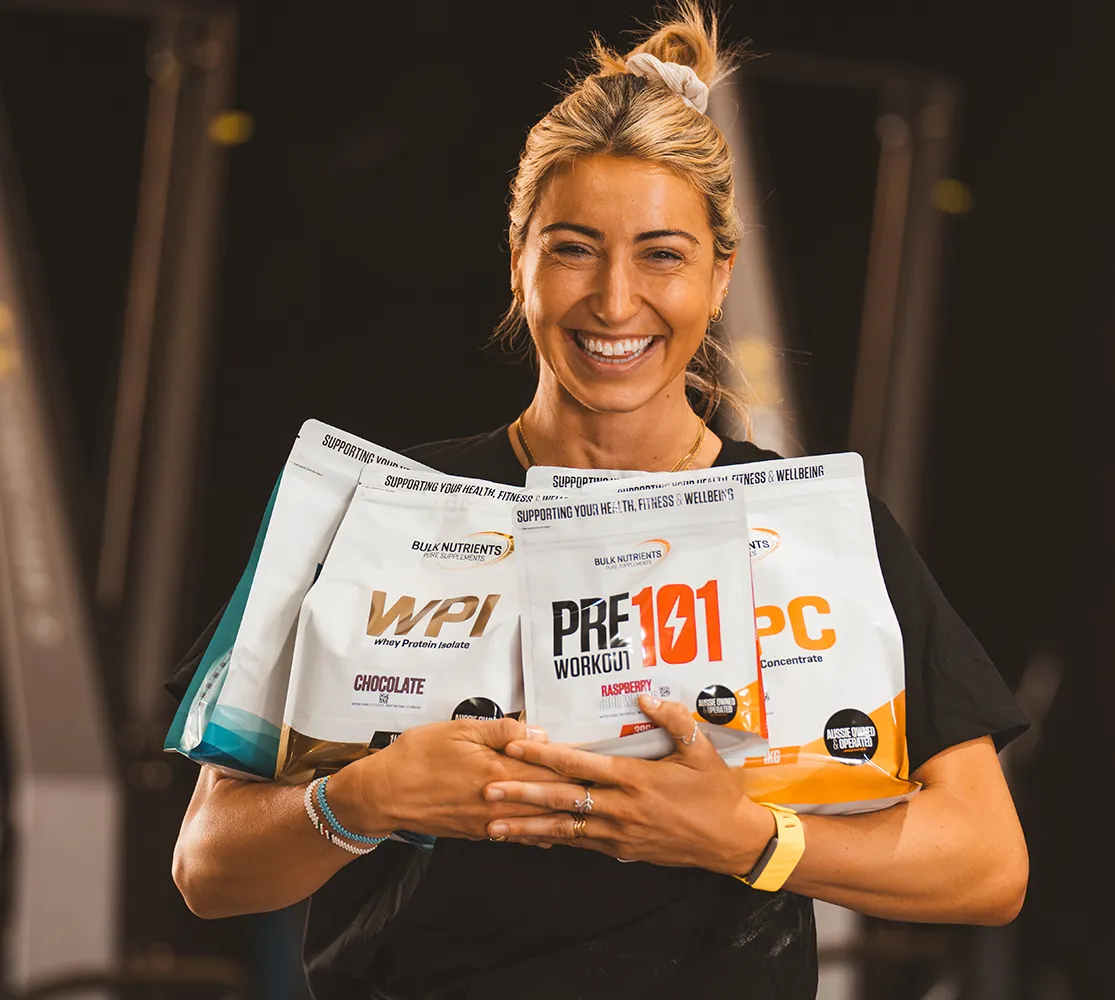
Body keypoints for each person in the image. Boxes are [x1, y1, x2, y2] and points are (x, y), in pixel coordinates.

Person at [169, 5, 1029, 997]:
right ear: (519, 259)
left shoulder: (808, 529)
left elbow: (987, 862)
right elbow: (207, 866)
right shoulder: (382, 513)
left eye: (662, 254)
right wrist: (361, 800)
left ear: (720, 275)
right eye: (574, 248)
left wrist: (748, 839)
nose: (616, 302)